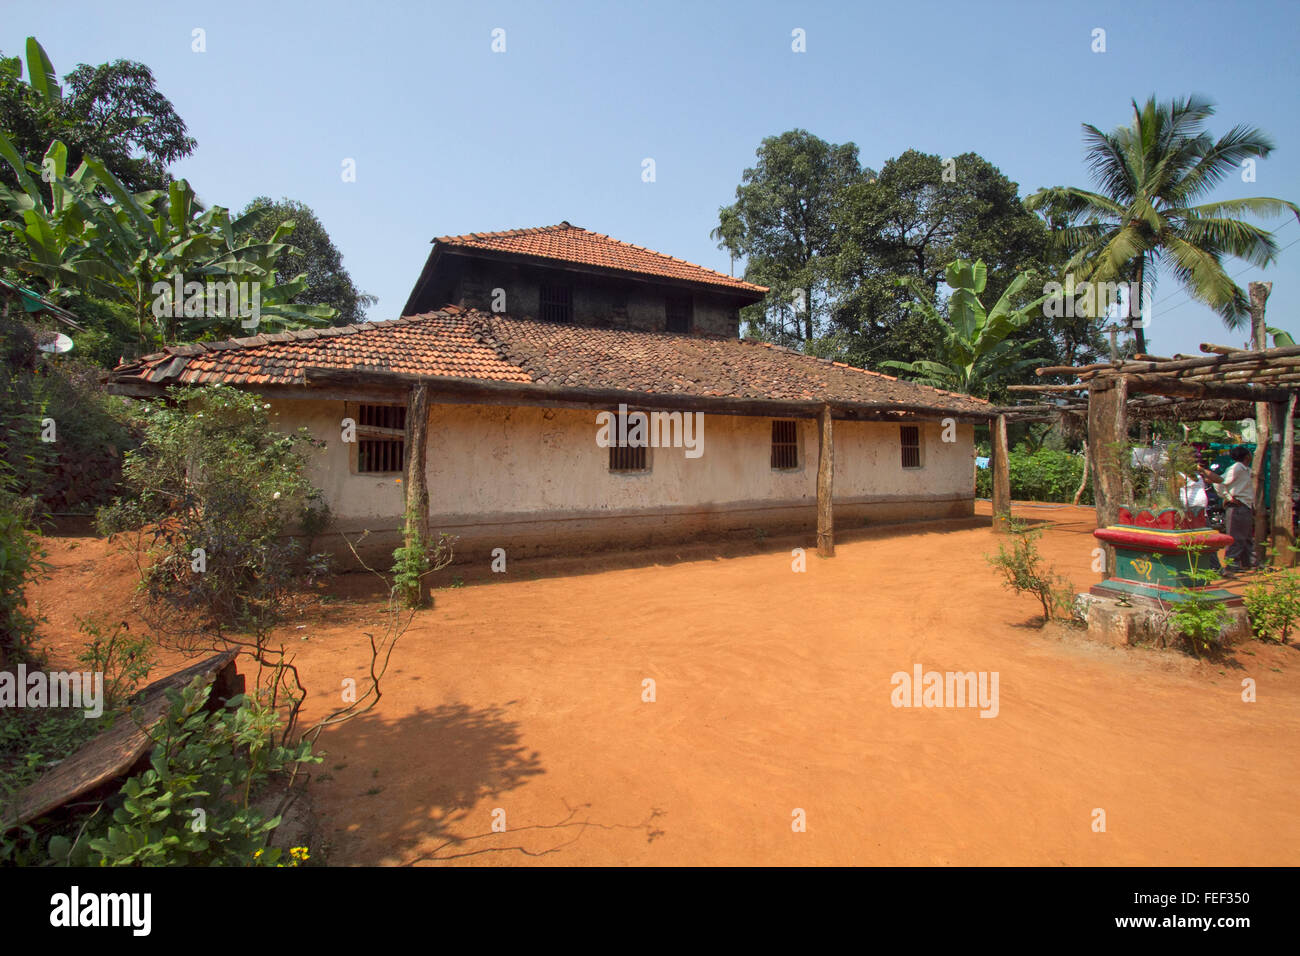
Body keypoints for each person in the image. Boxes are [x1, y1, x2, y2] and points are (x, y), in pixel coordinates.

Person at [1199, 446, 1255, 573]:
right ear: (1247, 456)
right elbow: (1219, 482)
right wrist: (1228, 497)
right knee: (1236, 537)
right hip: (1237, 507)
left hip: (1245, 505)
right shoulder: (1237, 468)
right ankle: (1232, 563)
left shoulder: (1245, 469)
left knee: (1246, 537)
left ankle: (1247, 562)